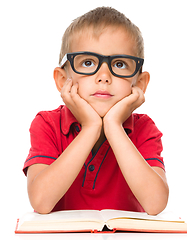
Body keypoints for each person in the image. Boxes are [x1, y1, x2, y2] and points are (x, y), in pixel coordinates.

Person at [23, 7, 169, 215]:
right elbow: (40, 201)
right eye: (88, 62)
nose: (104, 76)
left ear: (141, 83)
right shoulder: (47, 124)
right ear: (63, 80)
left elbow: (155, 204)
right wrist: (91, 127)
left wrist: (113, 125)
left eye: (119, 64)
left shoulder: (144, 128)